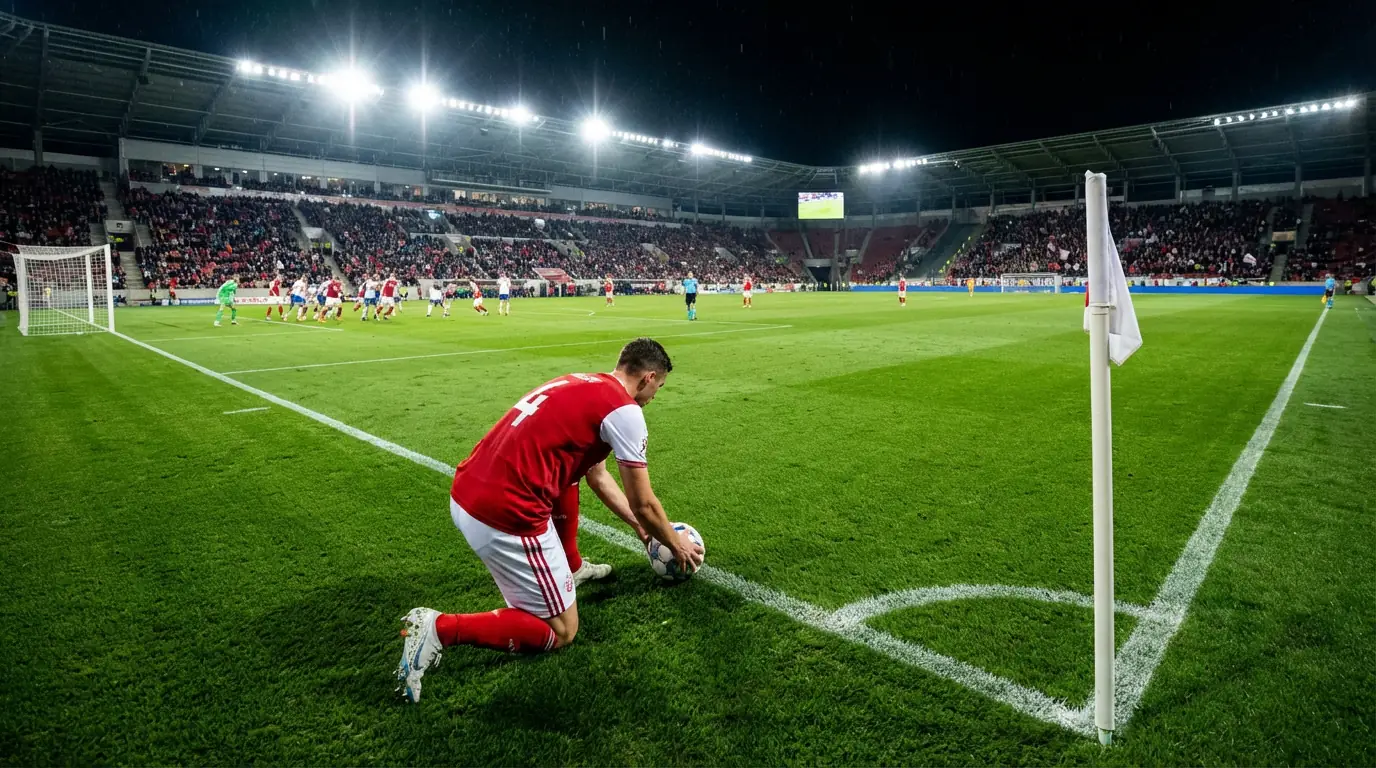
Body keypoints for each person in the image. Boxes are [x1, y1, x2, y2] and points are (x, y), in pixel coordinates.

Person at [396, 338, 702, 703]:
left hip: (467, 493)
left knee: (567, 476)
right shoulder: (625, 411)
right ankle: (439, 628)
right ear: (649, 377)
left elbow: (596, 476)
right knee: (560, 630)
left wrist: (641, 532)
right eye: (659, 388)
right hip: (505, 516)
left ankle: (569, 568)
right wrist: (672, 542)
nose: (655, 396)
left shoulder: (580, 382)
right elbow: (645, 504)